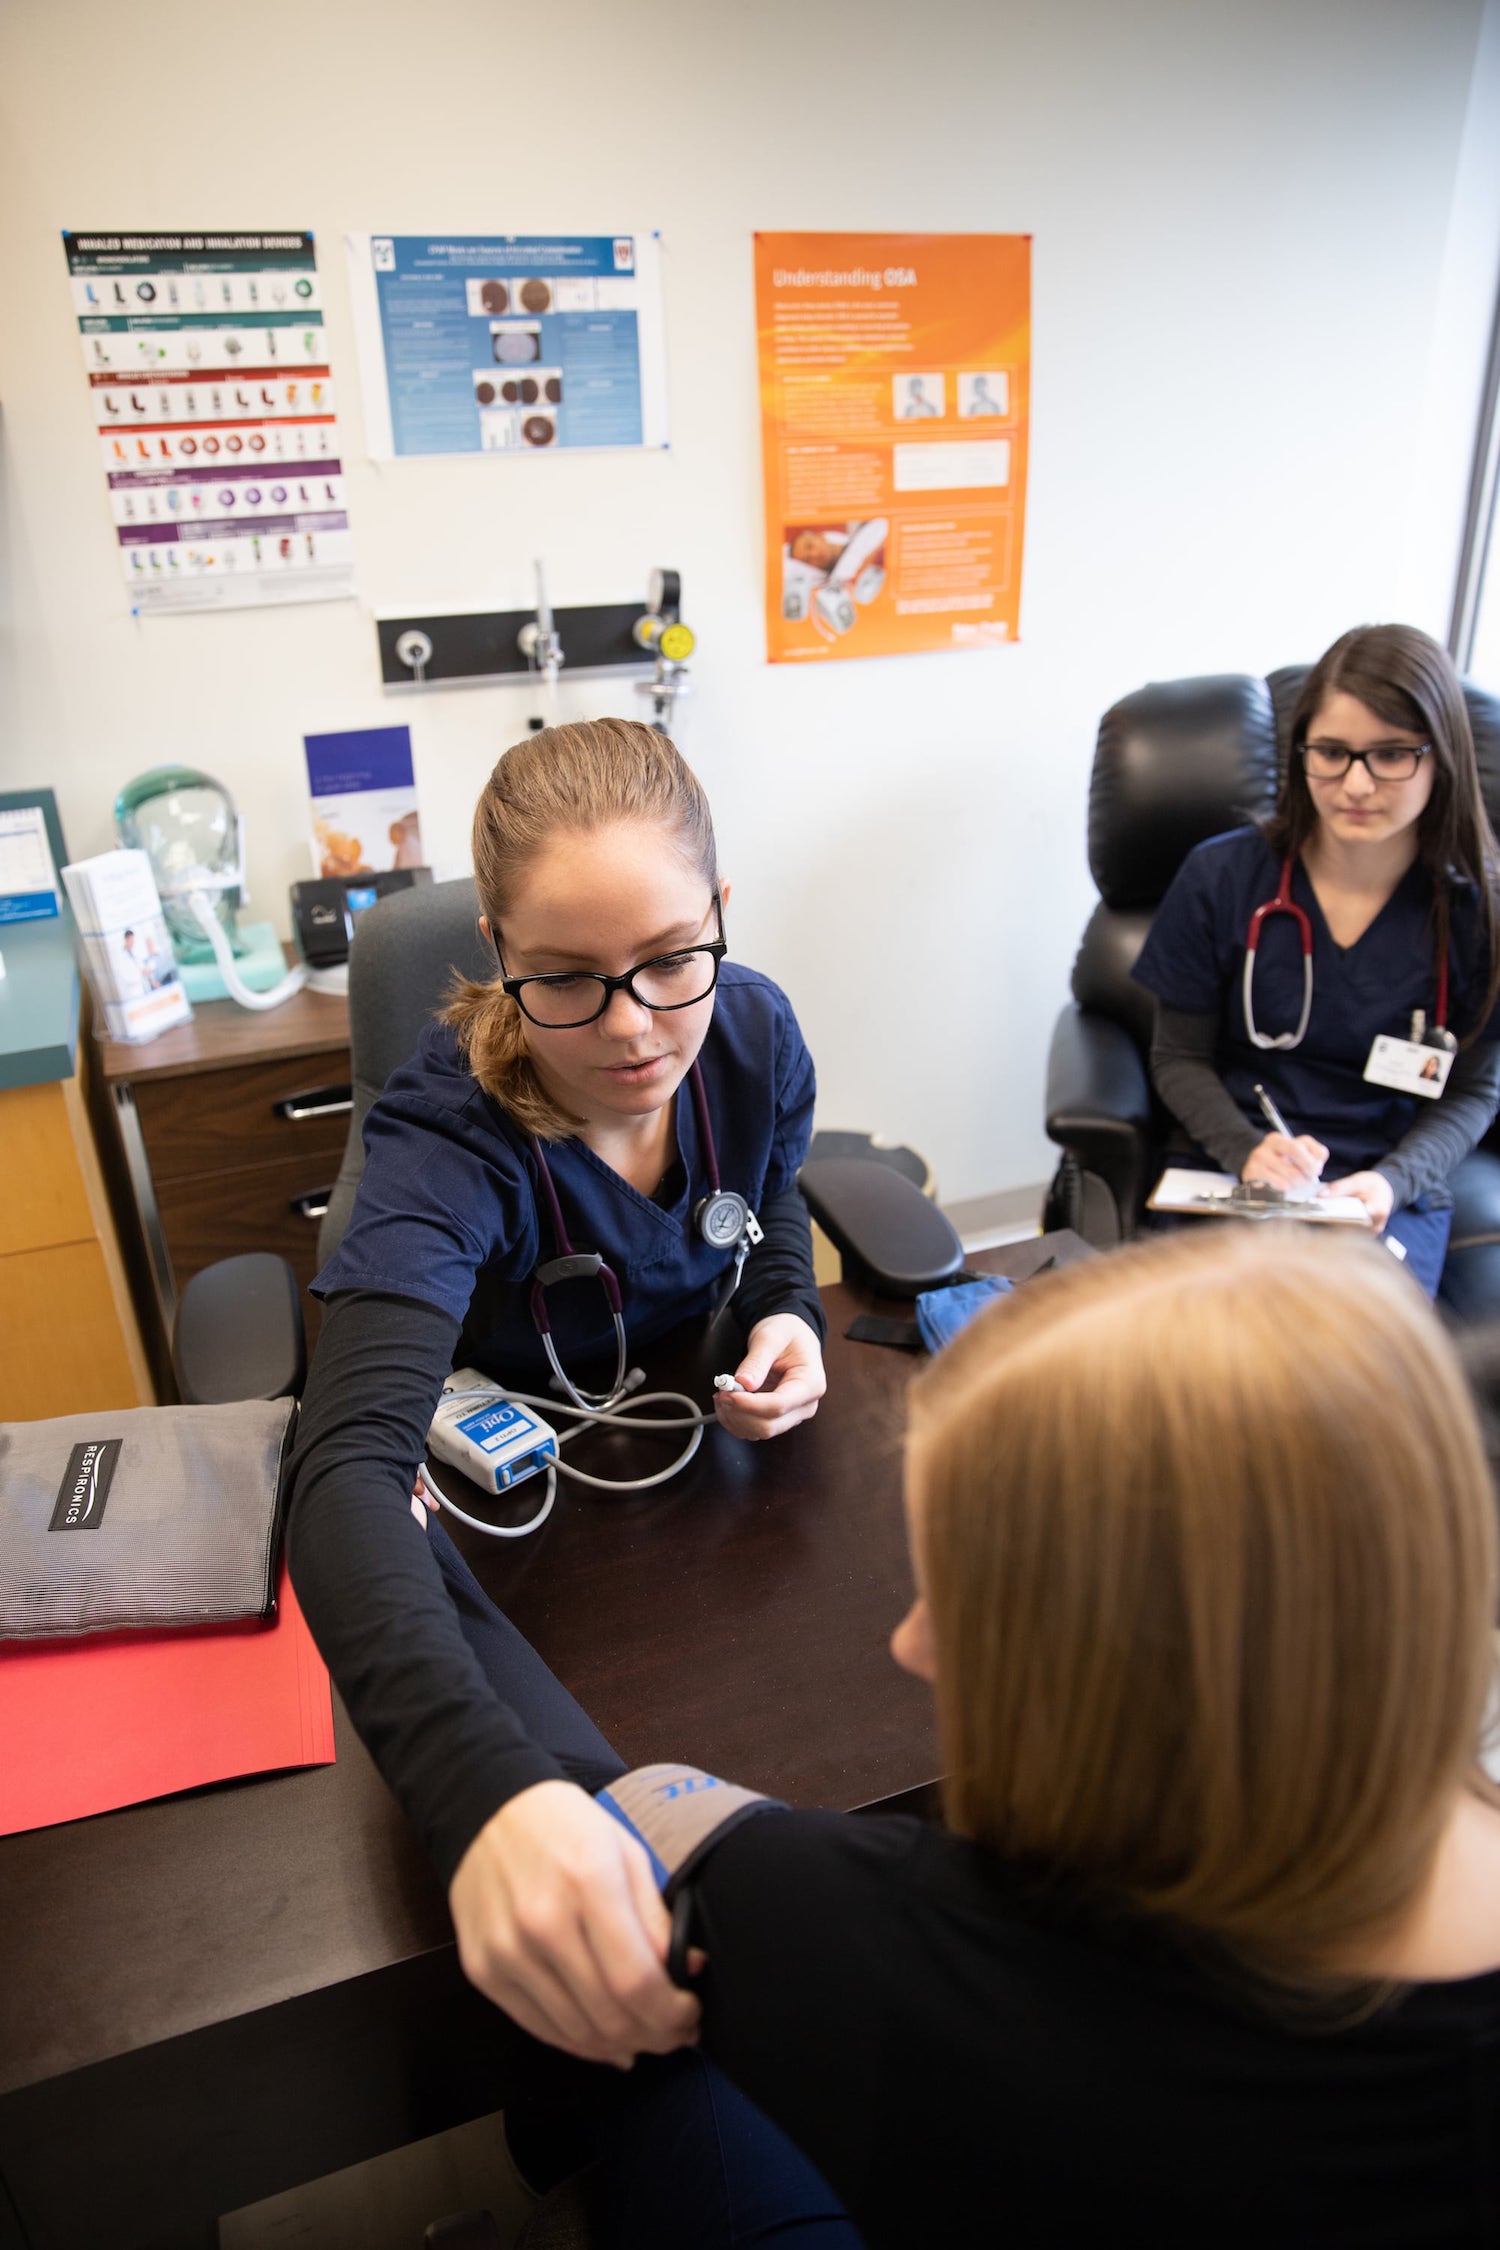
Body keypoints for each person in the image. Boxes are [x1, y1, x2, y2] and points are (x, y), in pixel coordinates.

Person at [459, 1225, 1500, 2247]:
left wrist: (428, 1566)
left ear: (1134, 1665)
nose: (913, 1643)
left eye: (966, 1596)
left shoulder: (900, 1941)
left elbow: (606, 1809)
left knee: (664, 2039)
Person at [286, 717, 828, 2081]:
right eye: (568, 980)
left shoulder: (753, 1032)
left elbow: (768, 1208)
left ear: (720, 912)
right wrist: (485, 1798)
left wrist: (787, 1310)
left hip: (702, 1511)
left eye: (672, 958)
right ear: (497, 952)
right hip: (523, 1531)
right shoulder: (448, 1131)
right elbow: (342, 1473)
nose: (635, 1026)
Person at [1131, 622, 1500, 1295]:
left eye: (1391, 755)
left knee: (1353, 1347)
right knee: (1217, 1338)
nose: (1356, 784)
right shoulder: (1221, 877)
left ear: (1440, 757)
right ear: (1301, 752)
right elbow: (1177, 1057)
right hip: (1234, 1163)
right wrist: (1245, 1150)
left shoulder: (1478, 914)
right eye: (1331, 752)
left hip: (1383, 1181)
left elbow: (1475, 1090)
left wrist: (1394, 1181)